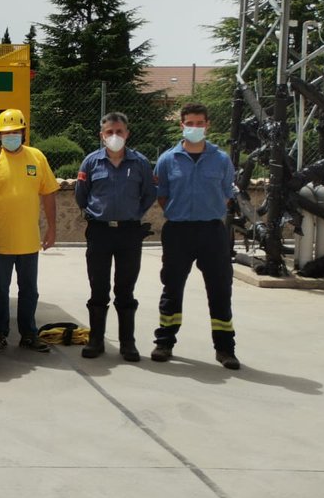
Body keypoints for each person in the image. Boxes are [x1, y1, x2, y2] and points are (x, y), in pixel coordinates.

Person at [151, 102, 240, 369]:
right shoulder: (168, 159)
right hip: (178, 231)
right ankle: (164, 342)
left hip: (212, 231)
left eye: (199, 123)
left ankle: (225, 349)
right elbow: (162, 196)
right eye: (189, 123)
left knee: (220, 289)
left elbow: (227, 195)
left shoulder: (221, 159)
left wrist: (207, 211)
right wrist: (181, 214)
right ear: (182, 125)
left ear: (207, 125)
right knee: (172, 287)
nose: (194, 128)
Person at [0, 108, 58, 353]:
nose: (10, 136)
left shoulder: (37, 157)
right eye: (5, 133)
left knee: (29, 290)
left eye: (15, 132)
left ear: (23, 132)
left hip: (29, 240)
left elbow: (48, 193)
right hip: (0, 240)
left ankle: (29, 333)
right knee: (0, 290)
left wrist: (52, 228)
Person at [74, 111, 157, 362]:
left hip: (129, 233)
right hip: (99, 232)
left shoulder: (140, 162)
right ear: (102, 135)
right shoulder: (91, 162)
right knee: (98, 288)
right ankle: (96, 340)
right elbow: (81, 194)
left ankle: (127, 343)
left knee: (126, 289)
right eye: (109, 132)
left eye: (119, 132)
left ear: (127, 133)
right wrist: (93, 213)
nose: (114, 136)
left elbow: (149, 194)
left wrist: (133, 214)